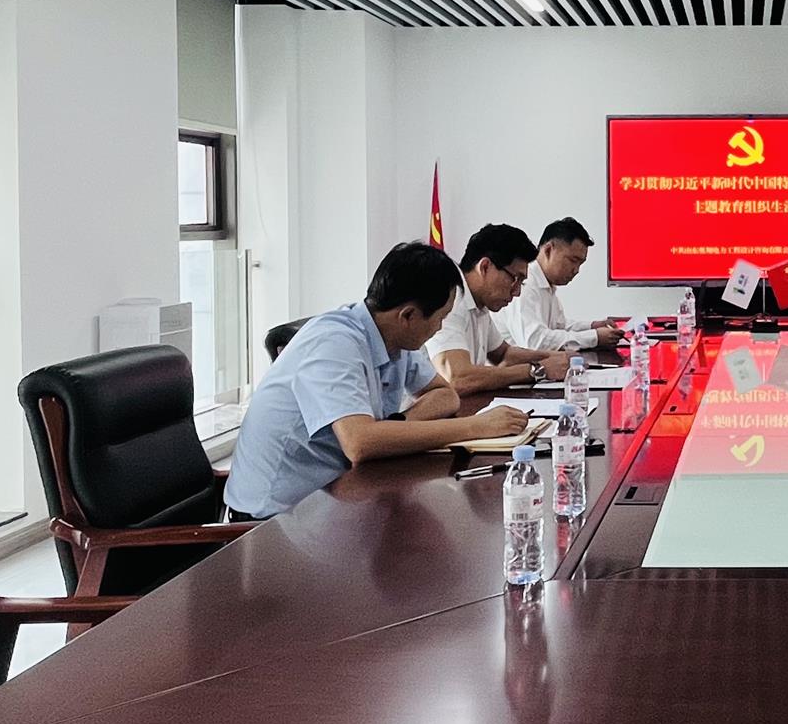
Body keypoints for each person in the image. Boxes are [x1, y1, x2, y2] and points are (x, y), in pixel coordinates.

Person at [222, 242, 528, 520]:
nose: (440, 328)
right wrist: (476, 427)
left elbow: (445, 395)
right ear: (408, 316)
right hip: (271, 519)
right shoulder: (335, 343)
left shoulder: (393, 338)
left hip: (334, 495)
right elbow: (360, 443)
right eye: (440, 318)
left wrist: (397, 425)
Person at [430, 223, 581, 394]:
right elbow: (458, 378)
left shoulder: (480, 304)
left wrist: (553, 357)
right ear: (485, 267)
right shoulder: (451, 300)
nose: (517, 292)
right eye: (514, 279)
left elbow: (504, 353)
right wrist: (537, 370)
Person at [497, 217, 623, 353]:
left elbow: (558, 327)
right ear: (548, 250)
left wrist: (592, 326)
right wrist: (594, 337)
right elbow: (535, 342)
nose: (576, 270)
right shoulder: (526, 285)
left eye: (580, 264)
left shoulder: (546, 285)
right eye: (573, 260)